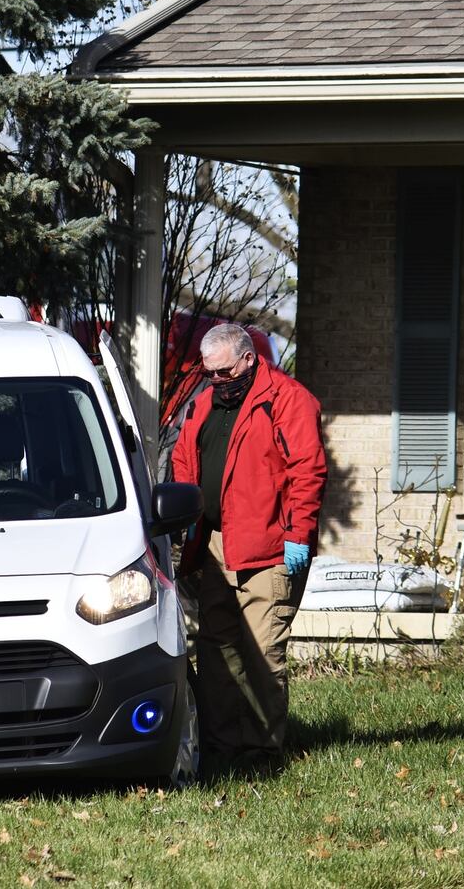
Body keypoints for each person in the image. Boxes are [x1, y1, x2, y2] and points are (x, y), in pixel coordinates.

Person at [171, 323, 327, 767]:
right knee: (216, 653)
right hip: (217, 545)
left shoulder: (288, 400)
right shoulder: (204, 404)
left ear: (247, 359)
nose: (217, 381)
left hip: (271, 546)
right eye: (209, 374)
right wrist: (187, 516)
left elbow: (307, 471)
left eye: (223, 372)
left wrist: (298, 535)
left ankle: (261, 754)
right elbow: (184, 459)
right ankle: (221, 750)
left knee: (262, 654)